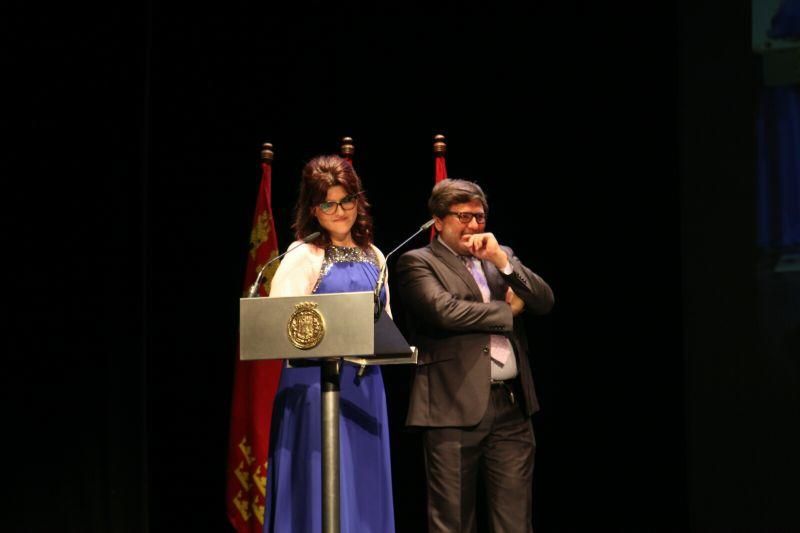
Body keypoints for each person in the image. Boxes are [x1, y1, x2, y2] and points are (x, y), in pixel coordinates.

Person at [395, 178, 554, 533]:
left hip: (511, 408)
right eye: (462, 216)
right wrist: (507, 312)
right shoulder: (417, 263)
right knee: (452, 522)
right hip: (451, 407)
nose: (473, 225)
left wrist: (502, 261)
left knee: (515, 523)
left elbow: (544, 300)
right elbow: (444, 311)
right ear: (438, 221)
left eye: (479, 216)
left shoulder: (501, 255)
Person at [262, 155, 394, 533]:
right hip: (311, 390)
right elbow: (279, 328)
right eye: (328, 204)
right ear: (313, 209)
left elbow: (387, 329)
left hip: (365, 388)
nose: (340, 211)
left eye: (347, 200)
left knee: (363, 486)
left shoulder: (376, 256)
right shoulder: (302, 256)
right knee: (317, 486)